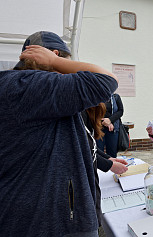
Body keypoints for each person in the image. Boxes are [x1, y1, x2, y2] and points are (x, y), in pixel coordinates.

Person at [0, 31, 119, 236]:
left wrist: (106, 160)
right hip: (50, 219)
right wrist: (57, 61)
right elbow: (106, 80)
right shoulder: (32, 85)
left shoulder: (15, 85)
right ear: (53, 55)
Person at [81, 105, 128, 234]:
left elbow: (92, 146)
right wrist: (110, 165)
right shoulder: (79, 116)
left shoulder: (84, 115)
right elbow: (85, 150)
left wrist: (109, 159)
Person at [96, 93, 124, 157]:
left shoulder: (115, 97)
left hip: (113, 129)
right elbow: (93, 111)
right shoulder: (96, 95)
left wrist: (110, 120)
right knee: (99, 153)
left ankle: (112, 166)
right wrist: (104, 121)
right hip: (98, 128)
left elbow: (120, 111)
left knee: (112, 154)